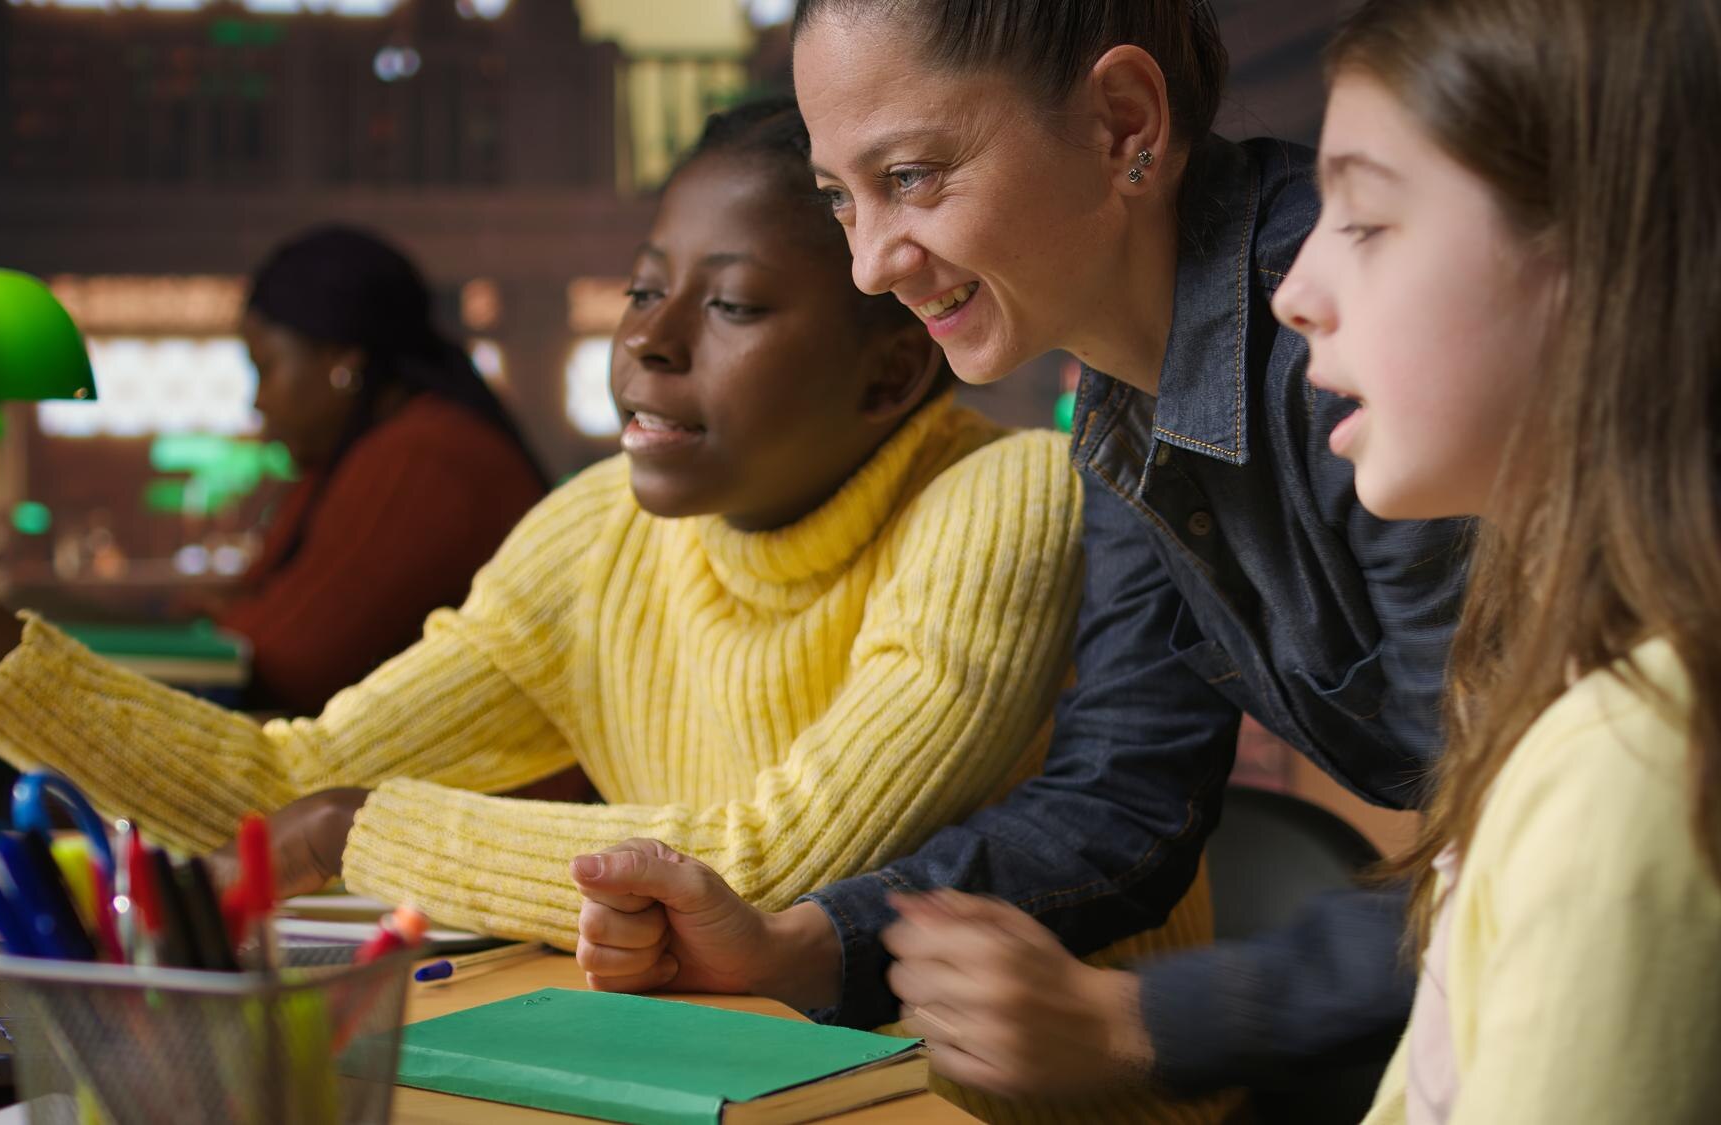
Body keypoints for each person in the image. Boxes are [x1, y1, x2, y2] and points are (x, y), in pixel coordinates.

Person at [0, 101, 1151, 974]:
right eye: (646, 288)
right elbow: (274, 785)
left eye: (728, 306)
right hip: (741, 1073)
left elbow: (765, 862)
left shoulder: (1000, 494)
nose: (643, 343)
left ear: (890, 375)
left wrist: (366, 833)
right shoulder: (595, 533)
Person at [566, 0, 1473, 1108]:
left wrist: (1134, 1020)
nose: (866, 264)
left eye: (909, 177)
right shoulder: (1114, 391)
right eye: (838, 199)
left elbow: (1535, 862)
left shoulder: (1349, 357)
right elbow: (1122, 794)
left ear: (1118, 122)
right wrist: (797, 944)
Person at [1271, 0, 1721, 1120]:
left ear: (1598, 260)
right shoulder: (1566, 683)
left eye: (1365, 222)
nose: (1293, 293)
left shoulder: (1631, 755)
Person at [212, 226, 546, 715]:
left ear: (342, 364)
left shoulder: (425, 459)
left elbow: (287, 662)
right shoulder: (360, 453)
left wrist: (226, 616)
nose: (258, 400)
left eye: (266, 368)